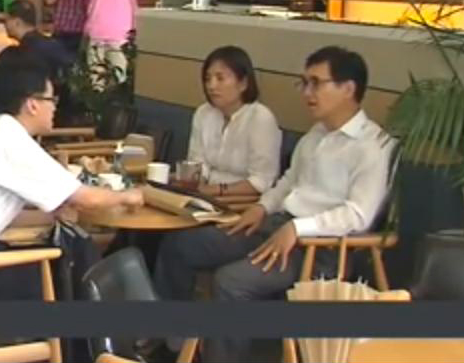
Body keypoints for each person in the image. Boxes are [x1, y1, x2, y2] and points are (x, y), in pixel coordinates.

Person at [151, 46, 394, 363]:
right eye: (304, 83)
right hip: (276, 225)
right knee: (182, 244)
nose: (307, 92)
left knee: (232, 282)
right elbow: (288, 183)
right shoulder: (315, 136)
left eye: (316, 83)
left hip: (319, 248)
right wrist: (261, 207)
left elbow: (359, 214)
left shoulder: (373, 146)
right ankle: (172, 341)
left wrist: (298, 228)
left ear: (348, 88)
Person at [0, 49, 144, 300]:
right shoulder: (10, 140)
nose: (55, 107)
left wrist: (49, 216)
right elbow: (85, 198)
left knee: (73, 253)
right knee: (71, 266)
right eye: (52, 99)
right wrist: (129, 196)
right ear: (32, 104)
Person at [186, 46, 281, 198]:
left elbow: (262, 180)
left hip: (243, 200)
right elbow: (197, 163)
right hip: (205, 195)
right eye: (207, 79)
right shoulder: (203, 113)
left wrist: (216, 190)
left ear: (243, 83)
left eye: (220, 78)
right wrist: (194, 185)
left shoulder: (260, 118)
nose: (211, 86)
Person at [2, 0, 72, 90]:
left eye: (7, 20)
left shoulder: (22, 52)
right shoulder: (52, 44)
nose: (4, 24)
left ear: (17, 22)